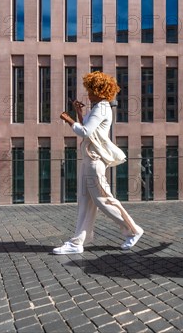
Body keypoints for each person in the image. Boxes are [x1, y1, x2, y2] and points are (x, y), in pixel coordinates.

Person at [54, 71, 144, 255]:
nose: (87, 93)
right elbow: (89, 129)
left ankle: (133, 230)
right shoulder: (98, 108)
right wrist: (78, 113)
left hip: (94, 161)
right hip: (89, 159)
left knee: (103, 199)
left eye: (90, 89)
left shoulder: (102, 108)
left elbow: (85, 132)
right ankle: (77, 242)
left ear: (99, 90)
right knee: (85, 201)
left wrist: (68, 119)